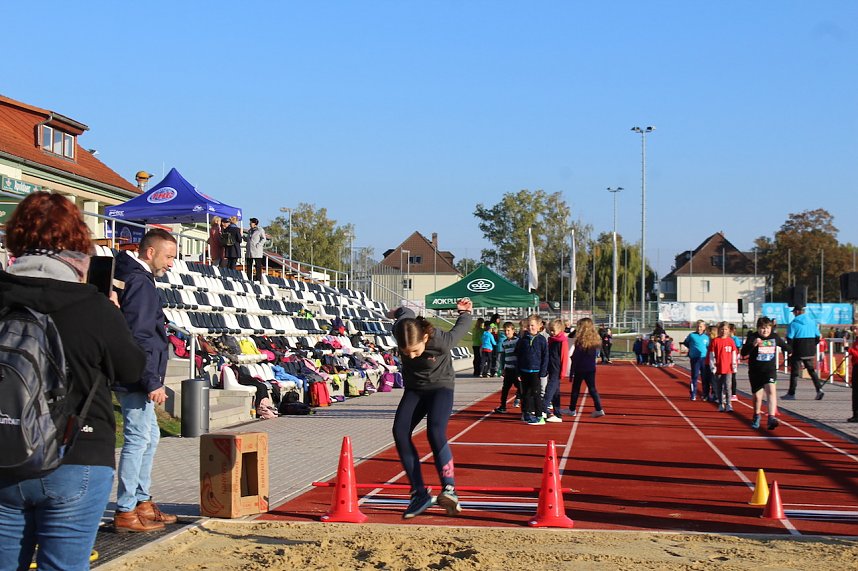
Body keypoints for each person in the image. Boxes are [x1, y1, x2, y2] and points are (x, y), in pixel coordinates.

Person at [0, 192, 146, 570]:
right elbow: (132, 371)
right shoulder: (91, 305)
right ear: (78, 246)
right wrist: (113, 316)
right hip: (77, 450)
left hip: (6, 449)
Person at [113, 228, 179, 532]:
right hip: (136, 375)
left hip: (137, 372)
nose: (171, 264)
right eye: (168, 257)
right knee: (138, 439)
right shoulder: (139, 280)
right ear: (150, 252)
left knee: (150, 437)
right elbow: (139, 334)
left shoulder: (135, 276)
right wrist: (151, 380)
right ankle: (126, 509)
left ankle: (141, 501)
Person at [390, 298, 472, 519]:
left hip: (441, 387)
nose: (411, 356)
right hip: (415, 389)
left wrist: (464, 312)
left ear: (425, 338)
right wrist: (394, 311)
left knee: (435, 431)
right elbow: (403, 312)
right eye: (406, 353)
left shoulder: (441, 341)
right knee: (399, 432)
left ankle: (449, 488)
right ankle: (419, 493)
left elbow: (462, 327)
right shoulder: (401, 328)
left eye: (415, 351)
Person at [741, 317, 789, 430]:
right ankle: (756, 415)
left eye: (767, 328)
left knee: (771, 391)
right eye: (762, 328)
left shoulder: (774, 337)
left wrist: (791, 351)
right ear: (758, 328)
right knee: (758, 397)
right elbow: (743, 353)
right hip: (755, 371)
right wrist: (753, 344)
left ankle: (771, 418)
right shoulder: (752, 336)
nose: (765, 331)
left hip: (769, 370)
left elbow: (785, 346)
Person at [566, 317, 605, 417]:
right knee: (592, 389)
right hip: (590, 368)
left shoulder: (580, 341)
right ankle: (599, 408)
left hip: (580, 367)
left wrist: (572, 367)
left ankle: (572, 409)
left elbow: (576, 354)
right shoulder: (595, 339)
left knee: (576, 389)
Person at [784, 306, 825, 400]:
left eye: (794, 312)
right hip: (810, 350)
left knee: (794, 372)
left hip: (798, 350)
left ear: (797, 312)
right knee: (811, 370)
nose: (793, 314)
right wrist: (812, 345)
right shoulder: (812, 322)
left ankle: (791, 393)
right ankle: (819, 389)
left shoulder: (793, 323)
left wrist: (790, 350)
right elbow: (818, 336)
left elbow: (790, 339)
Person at [515, 314, 549, 425]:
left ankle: (539, 416)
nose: (530, 327)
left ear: (539, 326)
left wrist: (543, 371)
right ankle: (526, 414)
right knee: (525, 394)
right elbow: (518, 355)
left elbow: (545, 356)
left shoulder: (542, 340)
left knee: (536, 394)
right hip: (524, 371)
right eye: (528, 325)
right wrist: (518, 371)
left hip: (536, 372)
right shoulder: (522, 340)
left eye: (533, 325)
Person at [543, 319, 569, 423]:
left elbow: (564, 357)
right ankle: (557, 414)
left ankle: (542, 408)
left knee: (550, 388)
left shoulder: (562, 341)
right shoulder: (551, 340)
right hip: (550, 367)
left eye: (553, 330)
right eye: (550, 330)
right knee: (555, 392)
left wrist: (563, 372)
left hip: (557, 369)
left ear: (560, 330)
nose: (551, 332)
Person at [709, 322, 738, 412]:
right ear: (719, 330)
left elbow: (734, 354)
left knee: (728, 386)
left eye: (726, 329)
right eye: (722, 329)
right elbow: (711, 355)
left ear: (729, 330)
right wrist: (713, 366)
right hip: (718, 368)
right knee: (719, 387)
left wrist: (734, 365)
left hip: (728, 368)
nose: (724, 331)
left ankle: (729, 404)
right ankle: (721, 404)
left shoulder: (731, 341)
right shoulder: (715, 341)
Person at [494, 321, 521, 413]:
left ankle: (526, 409)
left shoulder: (518, 341)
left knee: (521, 389)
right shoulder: (504, 343)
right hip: (508, 369)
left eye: (508, 330)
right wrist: (502, 368)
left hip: (516, 370)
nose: (507, 332)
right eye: (505, 331)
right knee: (505, 389)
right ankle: (502, 406)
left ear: (513, 330)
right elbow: (503, 356)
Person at [683, 320, 710, 400]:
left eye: (701, 326)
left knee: (704, 377)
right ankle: (693, 393)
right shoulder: (691, 335)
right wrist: (691, 349)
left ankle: (705, 394)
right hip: (695, 359)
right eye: (698, 326)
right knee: (694, 376)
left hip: (704, 358)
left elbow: (708, 347)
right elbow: (686, 343)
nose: (699, 328)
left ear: (704, 327)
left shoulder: (706, 337)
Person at [244, 217, 266, 281]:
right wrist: (244, 238)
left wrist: (258, 245)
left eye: (251, 222)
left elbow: (263, 239)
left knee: (258, 265)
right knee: (249, 265)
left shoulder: (260, 230)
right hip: (249, 251)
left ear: (254, 223)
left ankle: (258, 279)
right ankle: (249, 278)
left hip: (257, 251)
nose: (249, 224)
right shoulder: (249, 231)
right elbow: (249, 239)